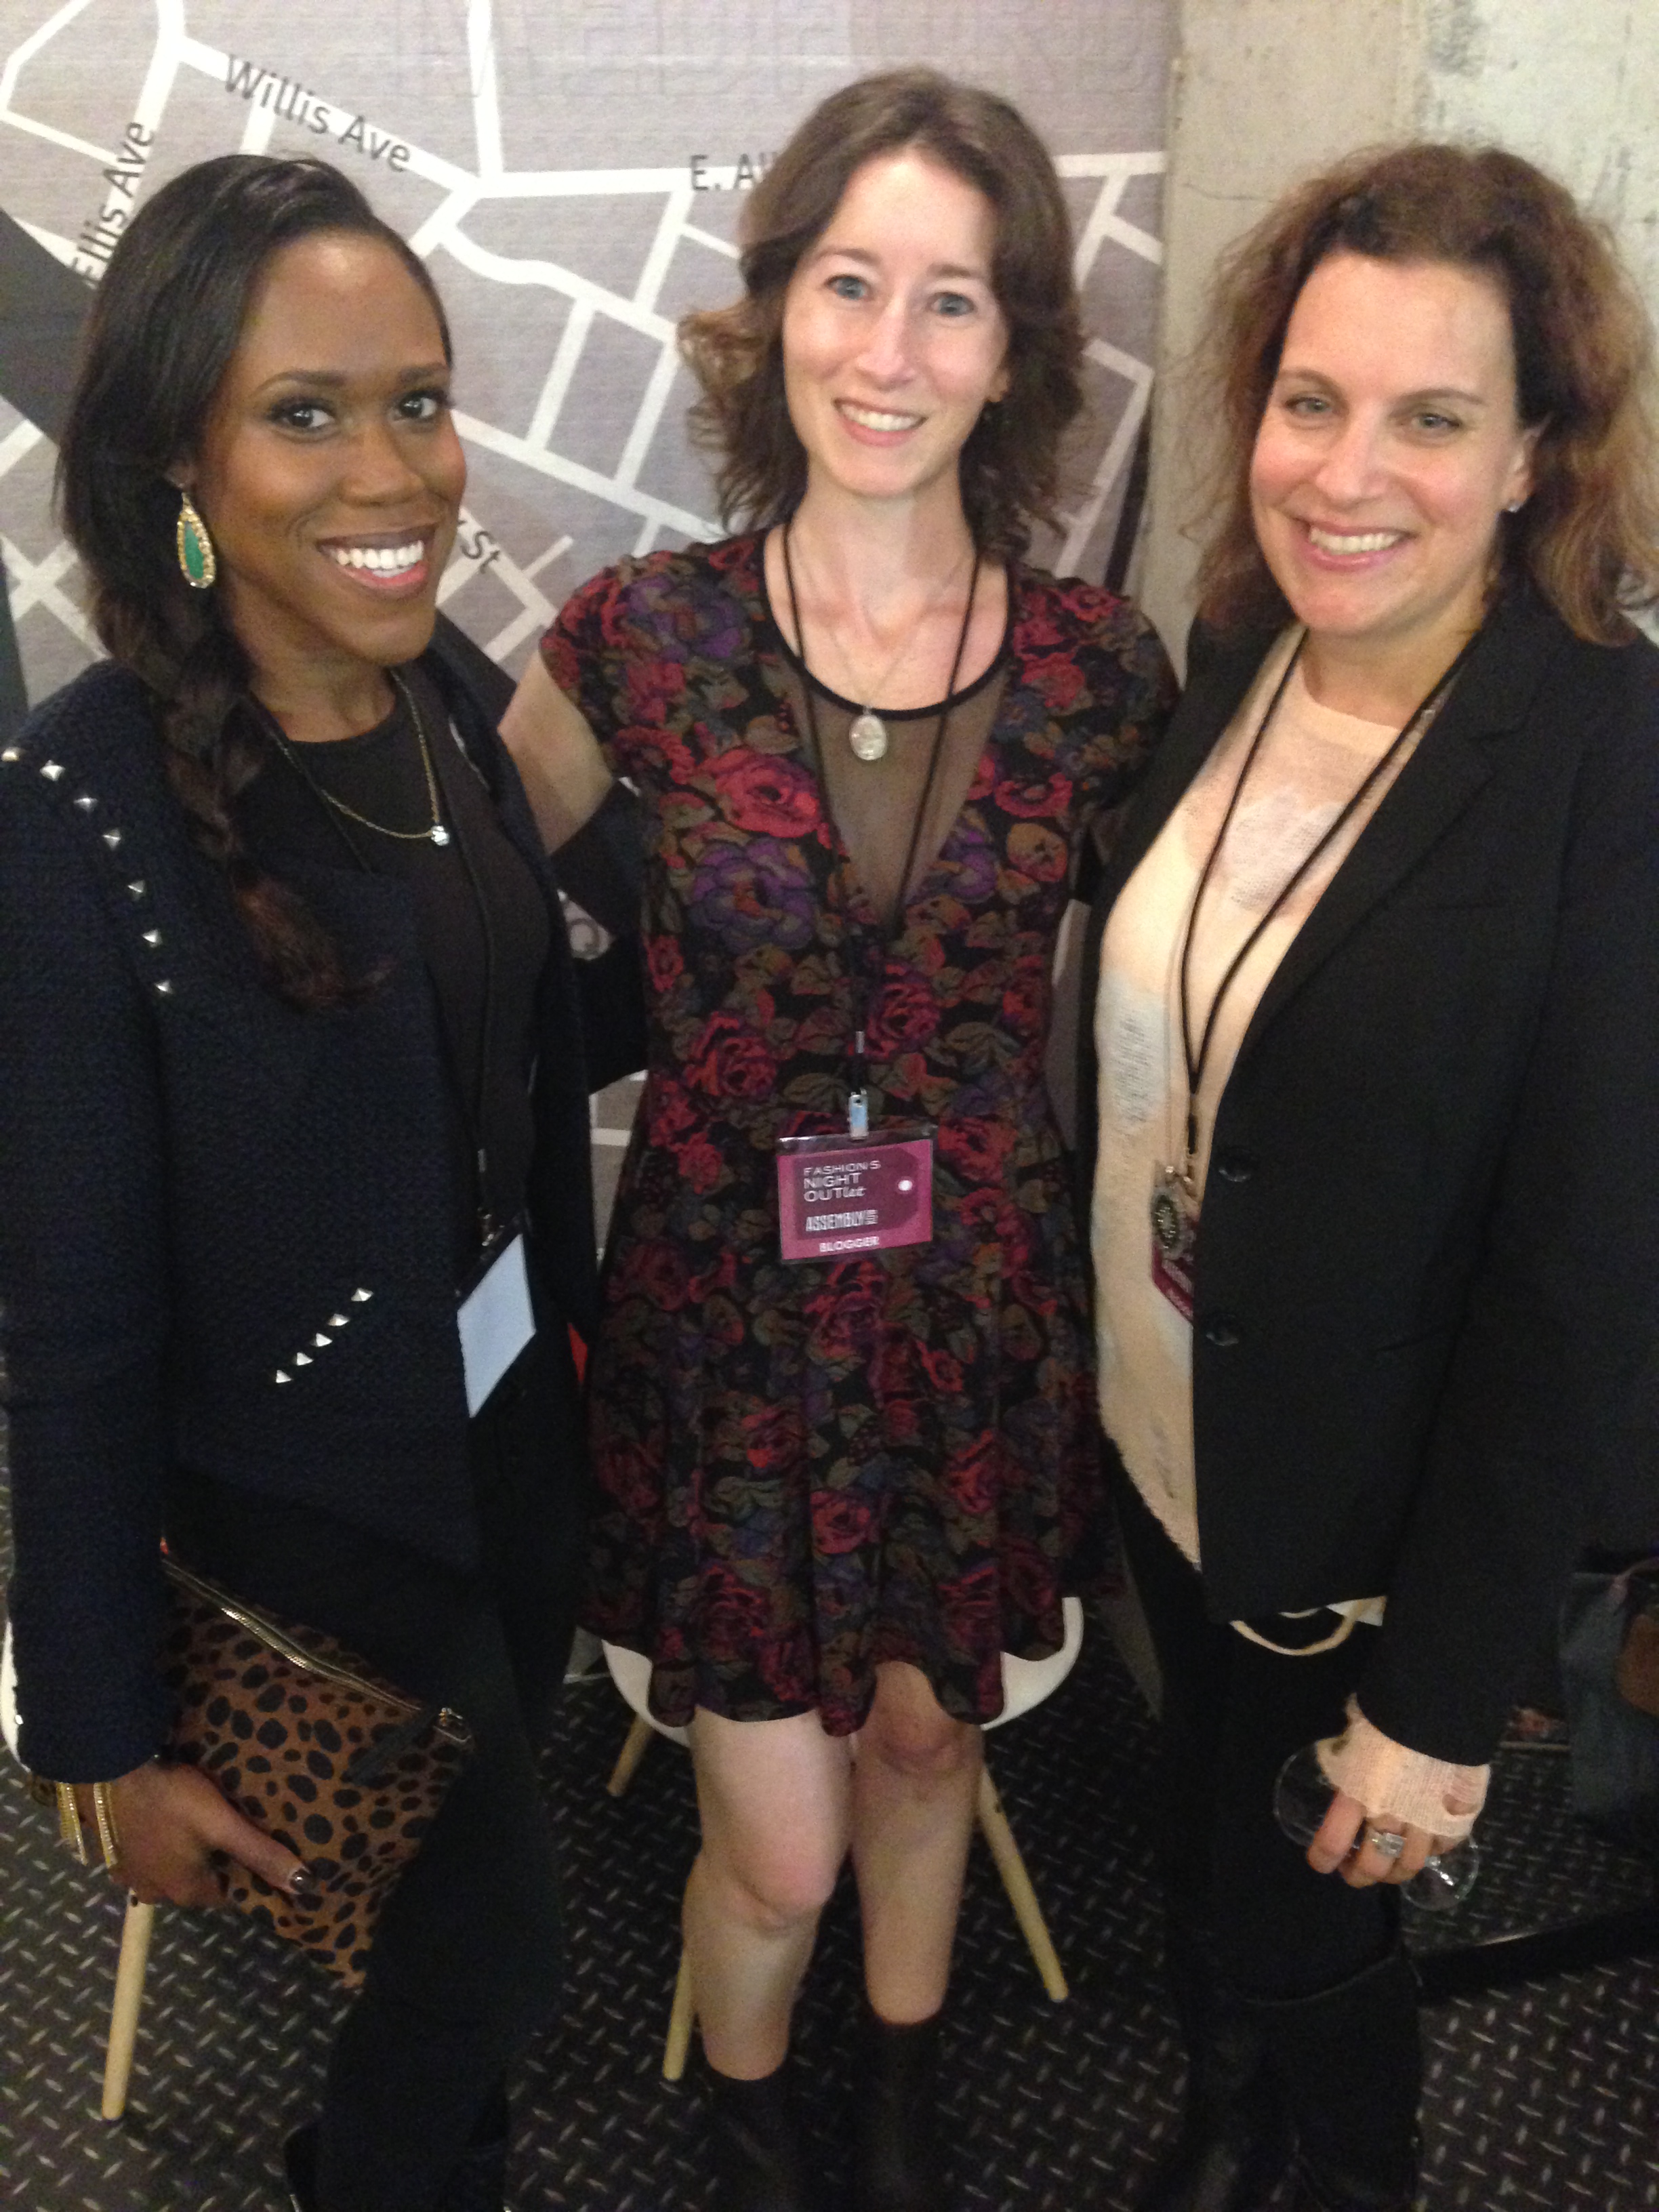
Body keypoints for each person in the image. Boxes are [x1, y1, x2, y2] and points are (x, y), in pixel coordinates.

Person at [499, 67, 1172, 2212]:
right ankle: (745, 2103)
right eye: (849, 284)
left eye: (950, 299)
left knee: (928, 1735)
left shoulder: (1099, 672)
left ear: (1015, 347)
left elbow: (1180, 998)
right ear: (776, 305)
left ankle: (899, 2084)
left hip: (977, 1319)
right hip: (731, 1332)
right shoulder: (641, 640)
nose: (890, 351)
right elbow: (464, 937)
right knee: (774, 1848)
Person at [0, 156, 638, 2212]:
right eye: (306, 413)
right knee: (494, 1955)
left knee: (458, 1948)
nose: (393, 472)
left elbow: (495, 1041)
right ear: (178, 464)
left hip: (506, 1424)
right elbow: (69, 1330)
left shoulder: (445, 693)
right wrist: (92, 1734)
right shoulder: (79, 815)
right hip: (304, 1516)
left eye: (418, 402)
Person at [1076, 142, 1659, 2212]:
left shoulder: (1606, 753)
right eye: (1312, 402)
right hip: (1168, 1429)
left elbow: (1582, 1272)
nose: (1346, 474)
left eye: (1431, 417)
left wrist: (1443, 1697)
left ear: (1532, 453)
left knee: (1310, 1910)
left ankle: (1333, 2168)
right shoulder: (1239, 648)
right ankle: (1231, 2114)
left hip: (1366, 1527)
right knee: (1205, 1837)